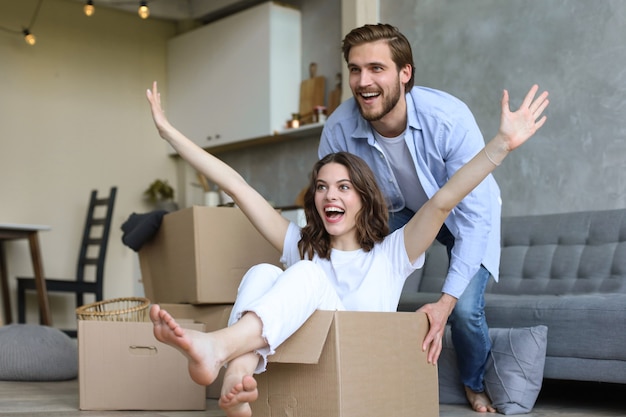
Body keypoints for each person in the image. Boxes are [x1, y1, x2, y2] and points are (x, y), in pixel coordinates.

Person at [145, 80, 548, 417]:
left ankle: (220, 347)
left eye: (343, 187)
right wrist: (168, 132)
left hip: (360, 369)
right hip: (311, 369)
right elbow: (236, 186)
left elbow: (444, 199)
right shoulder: (300, 245)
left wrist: (501, 145)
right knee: (263, 273)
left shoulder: (392, 253)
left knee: (300, 273)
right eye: (321, 187)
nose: (328, 195)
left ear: (364, 198)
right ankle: (237, 375)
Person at [318, 23, 508, 412]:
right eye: (355, 69)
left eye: (376, 68)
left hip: (463, 215)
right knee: (355, 274)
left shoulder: (448, 119)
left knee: (467, 310)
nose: (363, 81)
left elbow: (474, 219)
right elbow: (334, 198)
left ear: (405, 74)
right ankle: (357, 368)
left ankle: (473, 383)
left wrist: (444, 304)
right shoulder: (339, 127)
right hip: (396, 210)